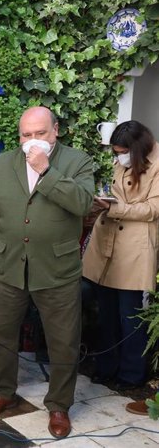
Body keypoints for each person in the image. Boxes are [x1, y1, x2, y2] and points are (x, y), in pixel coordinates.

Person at [0, 106, 94, 439]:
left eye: (40, 133)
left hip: (58, 269)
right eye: (26, 135)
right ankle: (1, 392)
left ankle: (59, 406)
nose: (32, 141)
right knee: (1, 335)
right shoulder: (1, 164)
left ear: (56, 130)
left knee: (63, 342)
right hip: (8, 266)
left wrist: (46, 171)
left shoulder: (77, 161)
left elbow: (84, 204)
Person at [82, 121, 158, 392]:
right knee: (106, 314)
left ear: (136, 149)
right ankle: (105, 367)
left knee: (130, 317)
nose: (118, 156)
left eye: (122, 151)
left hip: (133, 250)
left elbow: (153, 208)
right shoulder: (119, 163)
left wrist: (116, 208)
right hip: (106, 245)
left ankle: (131, 374)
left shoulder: (157, 164)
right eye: (115, 152)